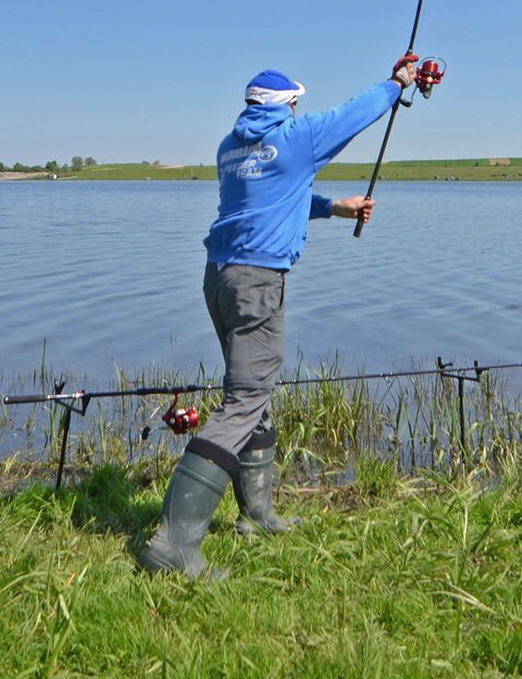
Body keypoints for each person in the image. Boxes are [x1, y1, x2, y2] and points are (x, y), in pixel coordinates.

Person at [137, 60, 415, 578]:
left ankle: (257, 515)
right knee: (245, 399)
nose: (298, 112)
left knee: (254, 389)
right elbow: (354, 115)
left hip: (219, 277)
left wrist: (335, 208)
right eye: (295, 105)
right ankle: (173, 544)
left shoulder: (232, 146)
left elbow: (275, 195)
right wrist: (396, 84)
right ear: (287, 105)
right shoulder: (297, 135)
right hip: (257, 283)